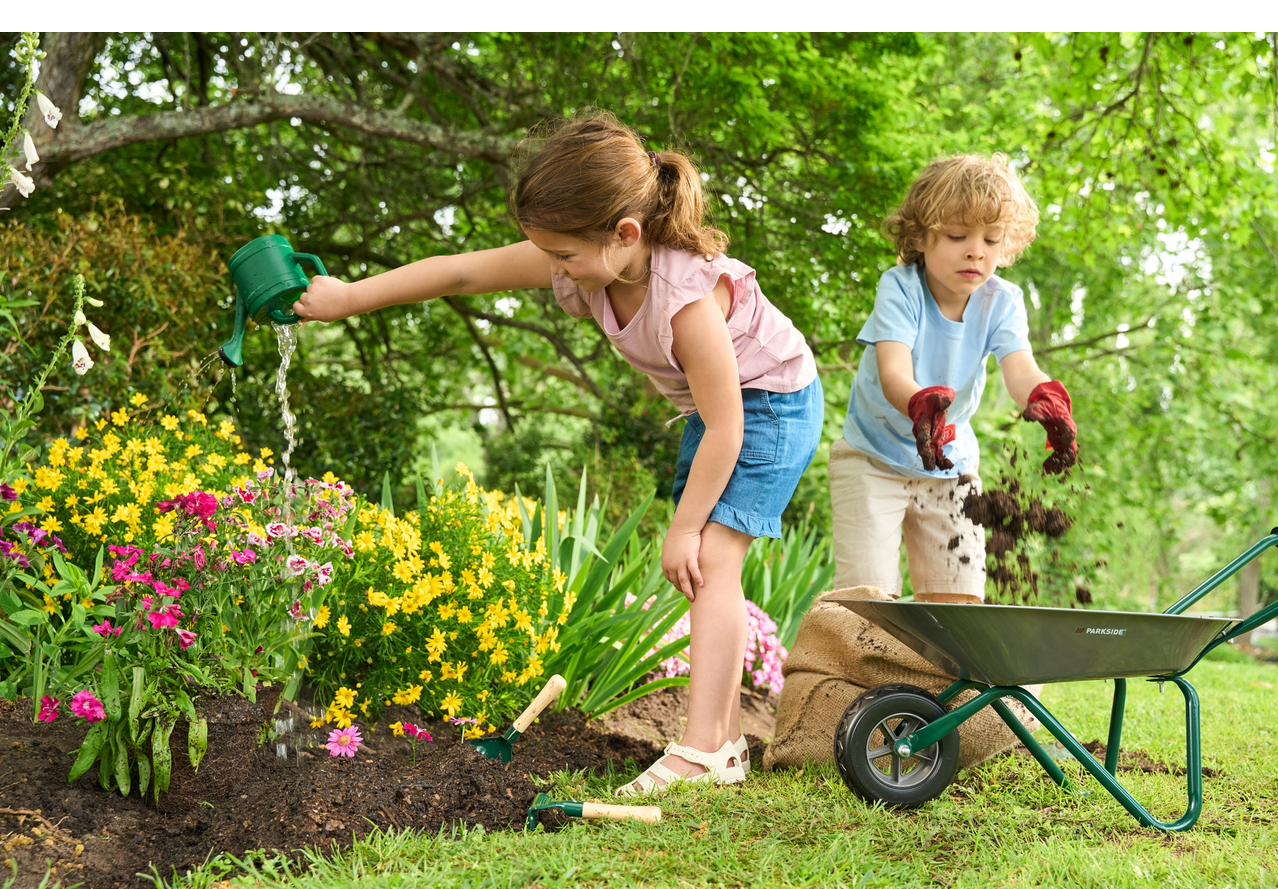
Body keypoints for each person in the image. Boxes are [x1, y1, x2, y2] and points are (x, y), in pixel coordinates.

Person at [293, 112, 823, 795]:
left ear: (625, 235)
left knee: (709, 557)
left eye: (563, 255)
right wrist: (348, 298)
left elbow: (730, 427)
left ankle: (699, 752)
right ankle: (721, 746)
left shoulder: (686, 299)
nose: (553, 268)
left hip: (771, 404)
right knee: (702, 567)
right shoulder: (583, 258)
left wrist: (685, 524)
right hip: (719, 409)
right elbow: (460, 272)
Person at [830, 153, 1077, 603]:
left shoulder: (1002, 300)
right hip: (872, 458)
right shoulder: (900, 287)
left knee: (959, 600)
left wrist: (1044, 398)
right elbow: (893, 372)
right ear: (922, 237)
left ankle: (943, 678)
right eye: (958, 235)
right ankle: (864, 676)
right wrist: (919, 403)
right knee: (865, 600)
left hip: (951, 467)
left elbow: (1019, 367)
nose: (976, 250)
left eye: (992, 239)